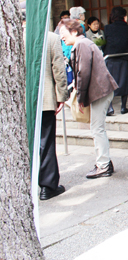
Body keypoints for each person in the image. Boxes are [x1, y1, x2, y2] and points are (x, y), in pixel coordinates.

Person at [60, 19, 118, 179]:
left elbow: (83, 73)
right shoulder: (84, 43)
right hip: (101, 90)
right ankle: (104, 162)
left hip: (100, 91)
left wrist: (80, 98)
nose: (62, 38)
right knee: (97, 128)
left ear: (73, 31)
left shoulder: (82, 45)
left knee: (97, 129)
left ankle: (103, 165)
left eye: (63, 34)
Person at [39, 32, 68, 200]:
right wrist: (61, 95)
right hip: (45, 97)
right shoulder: (50, 37)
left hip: (22, 99)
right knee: (46, 141)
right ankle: (47, 185)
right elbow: (58, 68)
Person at [104, 6, 128, 115]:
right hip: (123, 57)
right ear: (124, 16)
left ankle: (110, 108)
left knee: (110, 84)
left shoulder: (107, 28)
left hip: (110, 58)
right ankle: (123, 107)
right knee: (124, 82)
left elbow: (106, 42)